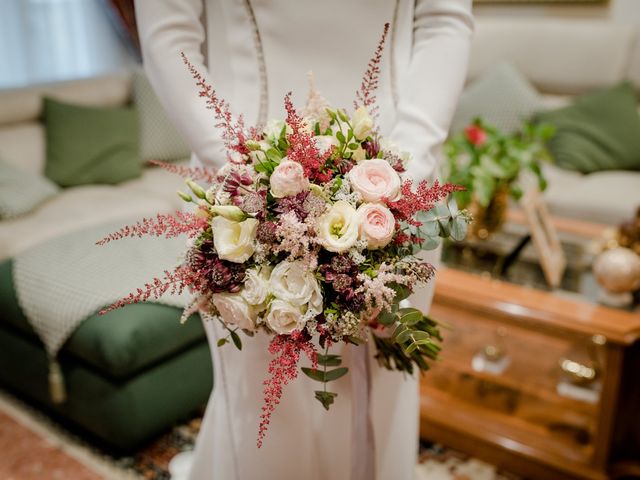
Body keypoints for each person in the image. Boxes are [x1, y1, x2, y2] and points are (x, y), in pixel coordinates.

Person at [134, 1, 473, 479]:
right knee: (265, 401)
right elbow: (169, 39)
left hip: (396, 188)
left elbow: (445, 19)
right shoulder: (247, 188)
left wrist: (401, 176)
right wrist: (252, 179)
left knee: (386, 383)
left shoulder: (398, 186)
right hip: (247, 200)